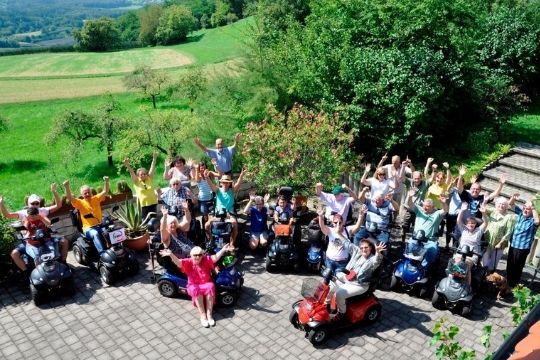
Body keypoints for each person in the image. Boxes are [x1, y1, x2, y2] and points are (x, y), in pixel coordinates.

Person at [160, 244, 234, 328]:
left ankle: (209, 315)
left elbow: (216, 257)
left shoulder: (206, 260)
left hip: (206, 283)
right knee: (196, 290)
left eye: (200, 255)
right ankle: (203, 315)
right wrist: (171, 254)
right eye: (195, 255)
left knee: (210, 287)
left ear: (202, 255)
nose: (198, 257)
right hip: (193, 285)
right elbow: (179, 263)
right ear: (191, 255)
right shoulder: (188, 262)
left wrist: (223, 250)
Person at [0, 183, 68, 272]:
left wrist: (54, 192)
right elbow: (8, 215)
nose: (35, 205)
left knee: (64, 242)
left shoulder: (42, 211)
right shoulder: (24, 213)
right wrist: (1, 204)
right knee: (16, 254)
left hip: (45, 238)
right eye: (33, 203)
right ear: (28, 204)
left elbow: (58, 206)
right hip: (30, 240)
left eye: (37, 203)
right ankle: (27, 272)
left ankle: (63, 262)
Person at [326, 237, 386, 321]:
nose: (363, 250)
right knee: (331, 285)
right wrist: (339, 233)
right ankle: (326, 305)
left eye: (366, 247)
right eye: (362, 248)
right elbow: (348, 244)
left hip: (359, 284)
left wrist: (378, 252)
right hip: (347, 278)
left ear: (371, 248)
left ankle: (342, 314)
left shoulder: (372, 259)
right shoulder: (358, 252)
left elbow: (376, 261)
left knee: (339, 294)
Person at [63, 177, 110, 255]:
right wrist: (67, 187)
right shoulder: (80, 203)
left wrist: (106, 181)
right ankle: (102, 254)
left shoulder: (96, 198)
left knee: (110, 230)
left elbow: (105, 191)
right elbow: (70, 198)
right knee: (95, 233)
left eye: (88, 192)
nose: (87, 194)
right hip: (88, 228)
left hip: (100, 225)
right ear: (82, 195)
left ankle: (113, 248)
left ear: (91, 192)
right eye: (85, 193)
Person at [316, 203, 367, 275]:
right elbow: (322, 227)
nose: (338, 224)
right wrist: (321, 216)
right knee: (328, 279)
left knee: (340, 280)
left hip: (342, 262)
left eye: (340, 222)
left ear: (343, 222)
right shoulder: (330, 230)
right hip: (330, 260)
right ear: (332, 223)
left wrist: (361, 215)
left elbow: (357, 226)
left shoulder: (347, 230)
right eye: (335, 222)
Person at [405, 188, 448, 268]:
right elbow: (410, 203)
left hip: (429, 240)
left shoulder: (437, 214)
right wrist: (410, 196)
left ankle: (424, 267)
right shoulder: (419, 210)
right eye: (424, 205)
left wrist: (443, 203)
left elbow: (445, 210)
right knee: (410, 244)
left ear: (433, 207)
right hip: (416, 238)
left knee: (433, 250)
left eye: (428, 206)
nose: (425, 208)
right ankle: (409, 264)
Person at [204, 170, 245, 247]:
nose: (225, 183)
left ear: (229, 183)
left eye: (227, 182)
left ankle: (232, 243)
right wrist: (207, 177)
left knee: (234, 224)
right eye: (223, 182)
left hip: (229, 214)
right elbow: (211, 184)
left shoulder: (232, 191)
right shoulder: (217, 190)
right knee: (206, 225)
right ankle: (211, 239)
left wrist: (241, 175)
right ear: (221, 183)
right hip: (218, 214)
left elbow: (238, 183)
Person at [506, 195, 539, 289]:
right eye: (524, 208)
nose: (525, 210)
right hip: (513, 245)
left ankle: (513, 284)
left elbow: (537, 221)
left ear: (532, 211)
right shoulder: (521, 214)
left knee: (517, 267)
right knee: (510, 265)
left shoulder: (532, 221)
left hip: (523, 248)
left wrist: (532, 207)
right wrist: (512, 197)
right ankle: (508, 282)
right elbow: (510, 204)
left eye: (527, 209)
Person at [454, 202, 489, 284]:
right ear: (466, 224)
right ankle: (451, 281)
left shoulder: (478, 231)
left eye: (473, 223)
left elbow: (486, 222)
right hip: (460, 252)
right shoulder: (464, 229)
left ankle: (467, 285)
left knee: (466, 265)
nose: (471, 224)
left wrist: (483, 213)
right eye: (469, 223)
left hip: (473, 255)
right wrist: (462, 210)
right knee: (456, 263)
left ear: (475, 224)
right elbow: (458, 220)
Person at [400, 159, 434, 242]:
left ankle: (414, 241)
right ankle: (402, 241)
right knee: (404, 226)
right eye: (415, 178)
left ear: (421, 178)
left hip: (418, 210)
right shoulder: (409, 182)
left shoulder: (425, 184)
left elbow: (432, 178)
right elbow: (401, 177)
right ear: (412, 178)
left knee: (417, 227)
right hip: (407, 209)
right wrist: (403, 166)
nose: (416, 180)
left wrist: (434, 169)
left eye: (418, 178)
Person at [482, 197, 515, 272]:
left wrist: (500, 243)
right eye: (499, 203)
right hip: (488, 239)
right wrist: (485, 200)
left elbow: (508, 232)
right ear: (496, 205)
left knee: (494, 262)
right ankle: (483, 274)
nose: (501, 205)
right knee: (485, 259)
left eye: (503, 204)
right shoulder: (493, 211)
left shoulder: (509, 217)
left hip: (499, 243)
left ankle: (490, 276)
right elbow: (483, 208)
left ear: (506, 206)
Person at [124, 152, 159, 221]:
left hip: (153, 203)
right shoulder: (136, 182)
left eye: (144, 174)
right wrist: (127, 165)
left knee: (153, 221)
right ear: (138, 175)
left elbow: (152, 168)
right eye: (141, 174)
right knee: (145, 221)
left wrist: (154, 158)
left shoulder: (149, 179)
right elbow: (131, 172)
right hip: (143, 205)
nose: (143, 175)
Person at [193, 161, 219, 231]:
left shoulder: (209, 173)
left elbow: (219, 174)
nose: (203, 169)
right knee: (205, 216)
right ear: (199, 169)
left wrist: (215, 165)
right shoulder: (198, 175)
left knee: (211, 216)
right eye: (201, 168)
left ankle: (210, 230)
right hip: (202, 200)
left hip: (210, 198)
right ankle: (205, 231)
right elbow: (197, 180)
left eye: (204, 168)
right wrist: (196, 169)